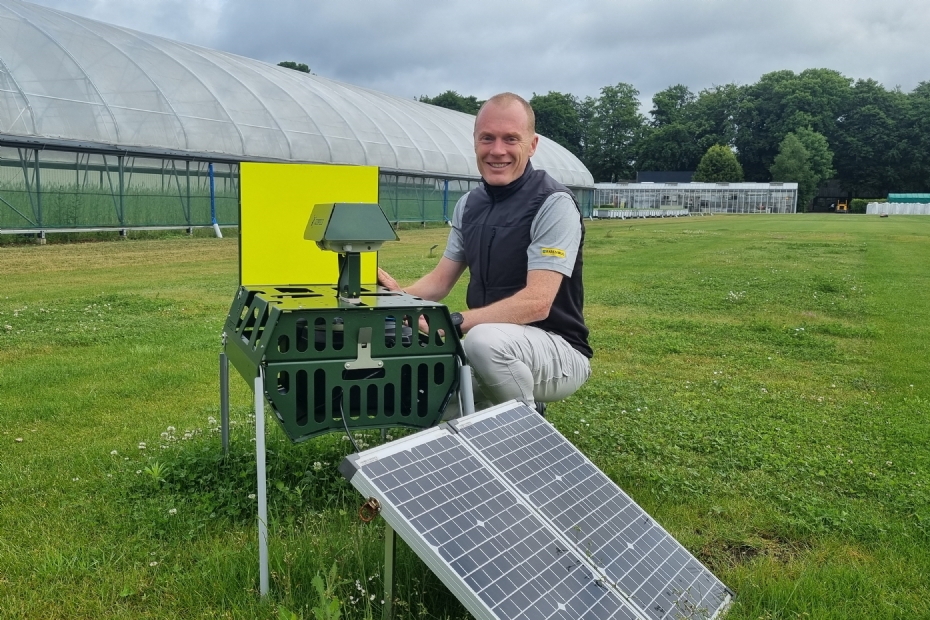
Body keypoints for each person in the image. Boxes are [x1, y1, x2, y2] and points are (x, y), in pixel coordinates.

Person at [378, 92, 592, 413]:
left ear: (532, 145)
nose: (497, 150)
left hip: (557, 348)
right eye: (487, 138)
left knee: (482, 341)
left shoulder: (552, 202)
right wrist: (397, 299)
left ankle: (527, 428)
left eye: (511, 139)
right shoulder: (469, 204)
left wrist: (453, 322)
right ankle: (488, 423)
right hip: (493, 345)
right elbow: (440, 281)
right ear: (475, 142)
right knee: (430, 399)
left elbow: (537, 302)